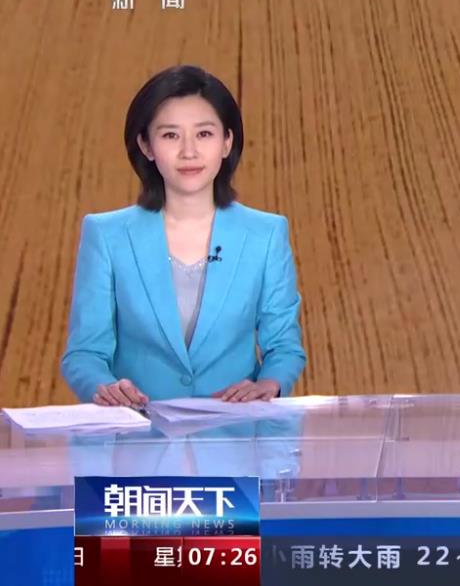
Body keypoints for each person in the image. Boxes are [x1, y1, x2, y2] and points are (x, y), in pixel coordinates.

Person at [61, 65, 307, 406]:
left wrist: (269, 383)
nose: (189, 152)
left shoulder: (265, 235)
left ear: (227, 142)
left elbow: (284, 347)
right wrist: (105, 388)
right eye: (170, 136)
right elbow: (84, 353)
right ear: (146, 146)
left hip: (236, 430)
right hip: (138, 430)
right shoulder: (106, 235)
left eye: (204, 134)